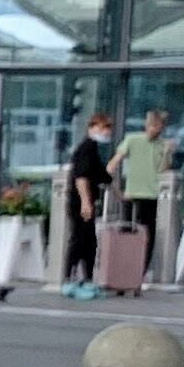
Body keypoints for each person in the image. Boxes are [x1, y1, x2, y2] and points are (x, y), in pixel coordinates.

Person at [109, 108, 173, 253]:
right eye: (151, 125)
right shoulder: (132, 140)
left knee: (148, 235)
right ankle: (125, 262)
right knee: (127, 233)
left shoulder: (163, 145)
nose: (154, 129)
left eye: (158, 126)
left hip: (152, 195)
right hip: (132, 194)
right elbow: (115, 162)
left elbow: (164, 172)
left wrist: (167, 153)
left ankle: (142, 264)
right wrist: (115, 189)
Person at [63, 109, 112, 298]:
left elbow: (104, 176)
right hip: (81, 202)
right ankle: (70, 277)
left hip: (87, 201)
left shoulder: (93, 150)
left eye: (108, 128)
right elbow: (81, 178)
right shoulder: (86, 149)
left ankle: (86, 277)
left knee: (90, 241)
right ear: (92, 127)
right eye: (103, 127)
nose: (106, 132)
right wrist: (85, 202)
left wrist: (120, 194)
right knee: (80, 239)